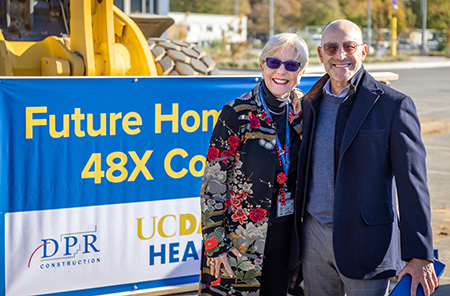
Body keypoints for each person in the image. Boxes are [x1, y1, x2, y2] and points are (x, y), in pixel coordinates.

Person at [293, 19, 438, 296]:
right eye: (332, 47)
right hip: (313, 241)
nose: (340, 55)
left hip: (367, 244)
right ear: (321, 54)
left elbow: (413, 184)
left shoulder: (393, 105)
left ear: (363, 51)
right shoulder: (309, 103)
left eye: (349, 46)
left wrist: (420, 255)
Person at [199, 33, 309, 296]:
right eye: (274, 63)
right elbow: (213, 184)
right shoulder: (236, 113)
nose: (281, 71)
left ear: (301, 72)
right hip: (238, 244)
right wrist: (216, 245)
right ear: (262, 65)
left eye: (291, 65)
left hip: (286, 241)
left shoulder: (303, 111)